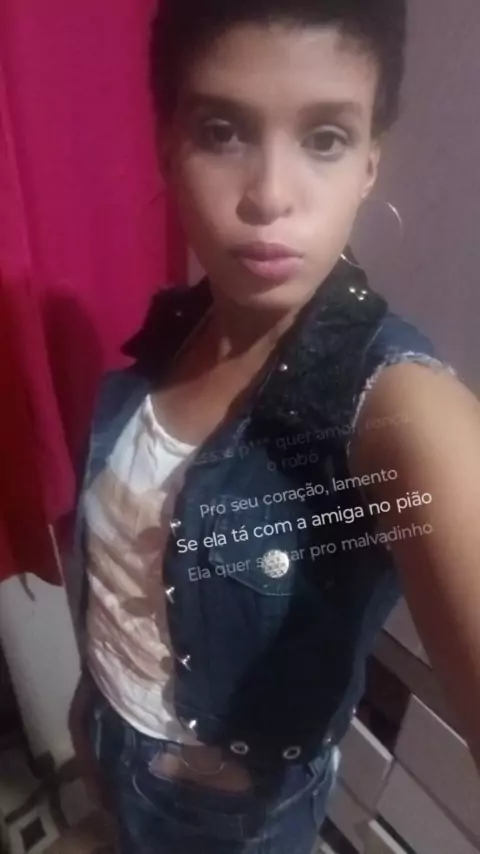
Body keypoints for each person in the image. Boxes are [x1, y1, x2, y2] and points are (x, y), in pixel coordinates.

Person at [66, 1, 480, 852]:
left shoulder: (393, 403)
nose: (268, 197)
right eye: (222, 132)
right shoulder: (174, 328)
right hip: (108, 750)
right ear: (168, 146)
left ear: (368, 164)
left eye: (325, 138)